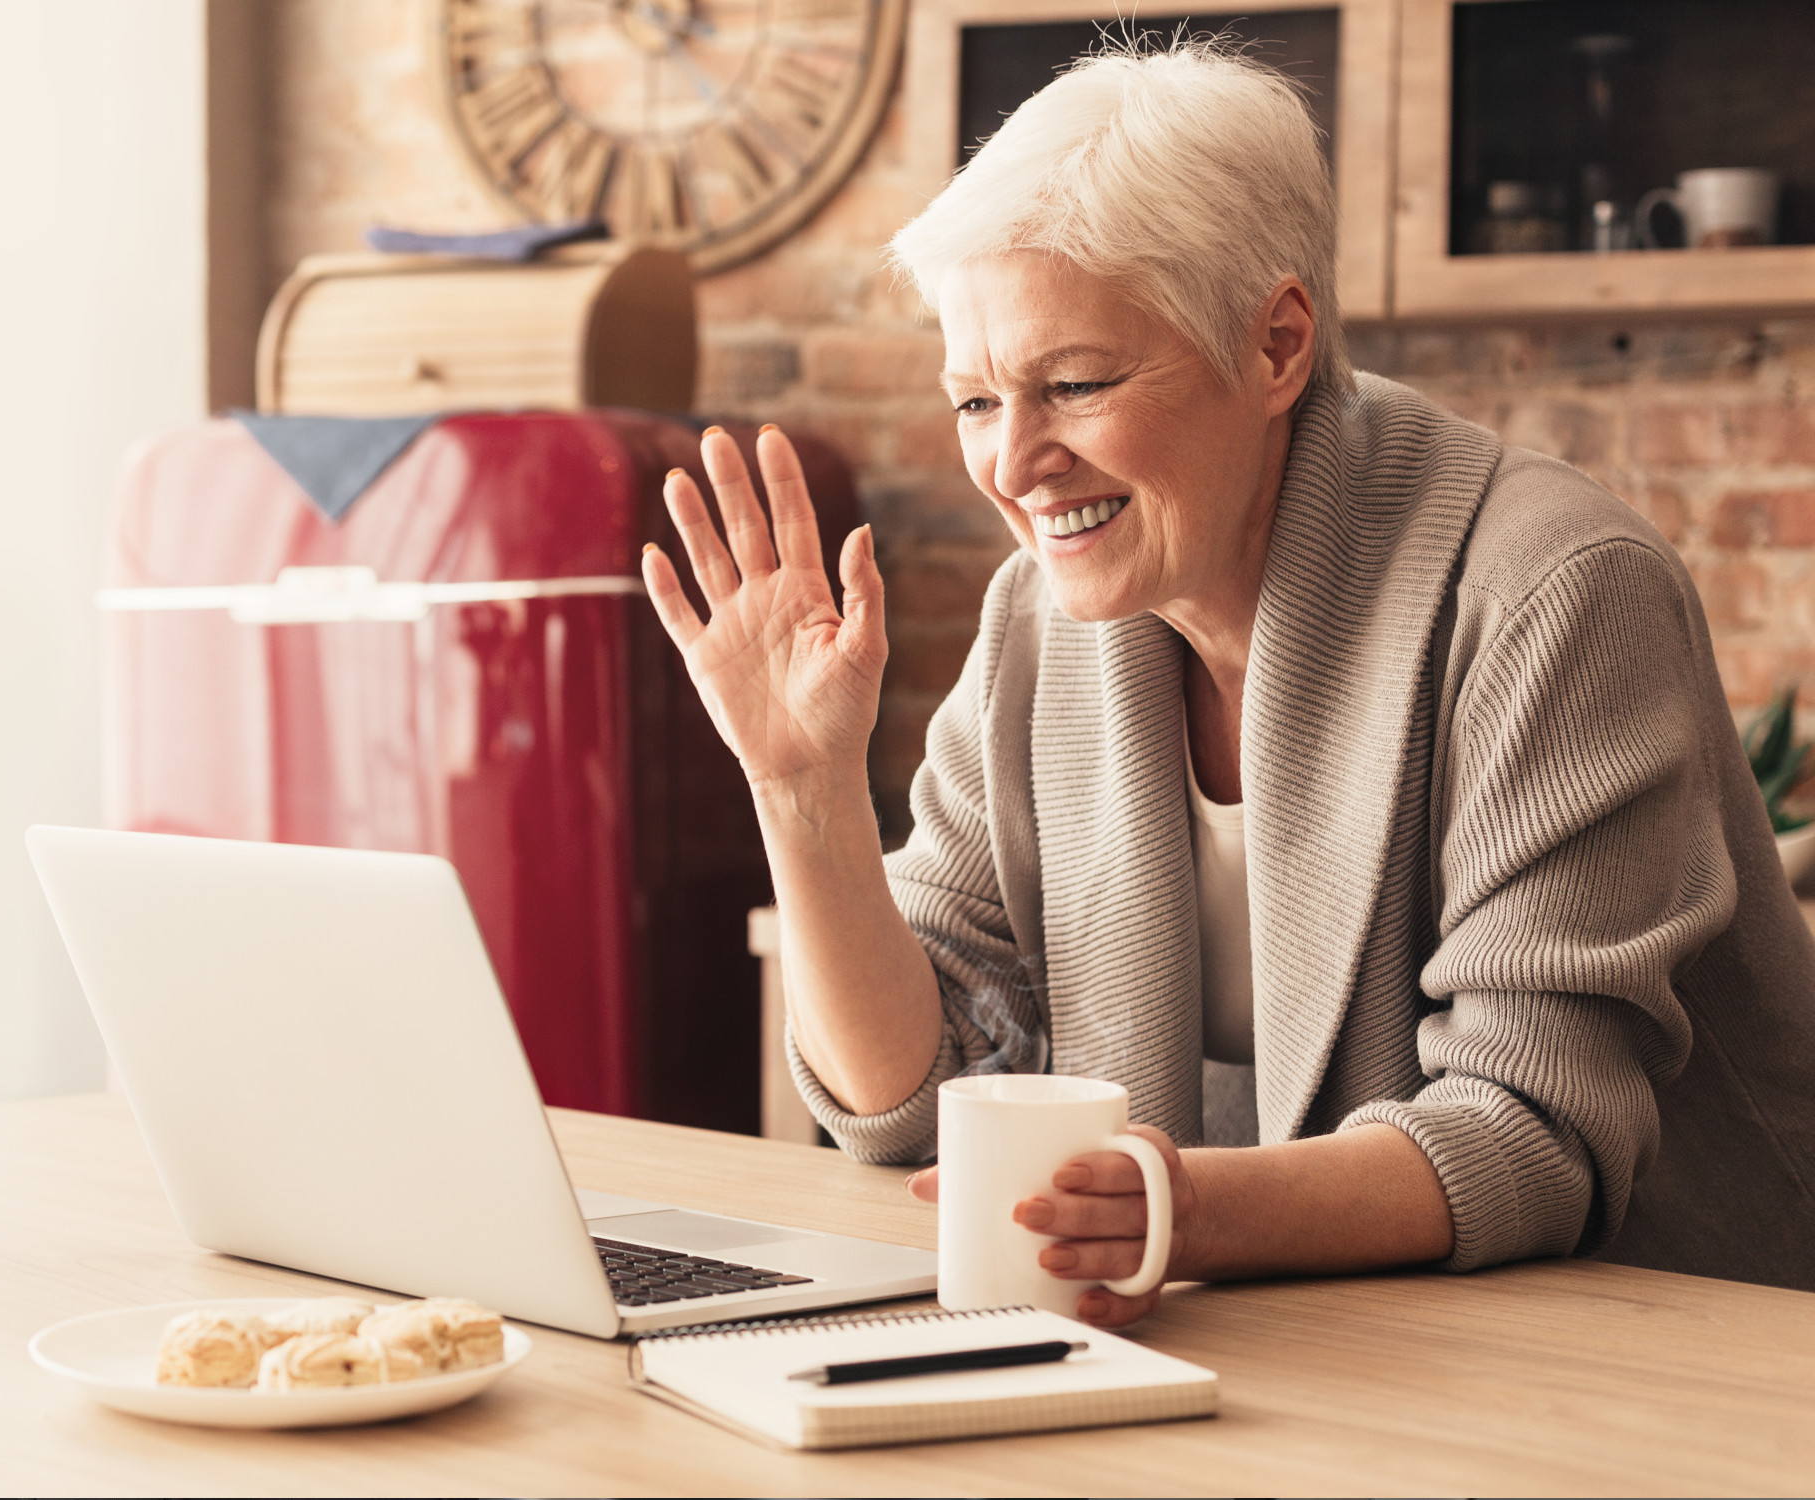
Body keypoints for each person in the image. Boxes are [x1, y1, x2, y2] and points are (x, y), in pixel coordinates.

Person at [640, 41, 1815, 1321]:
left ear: (1275, 346)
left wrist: (1177, 1214)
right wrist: (800, 789)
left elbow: (1531, 1128)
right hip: (1326, 1335)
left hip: (1677, 1344)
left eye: (1074, 384)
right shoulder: (1039, 620)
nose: (1015, 465)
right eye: (975, 401)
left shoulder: (1554, 594)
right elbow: (915, 1093)